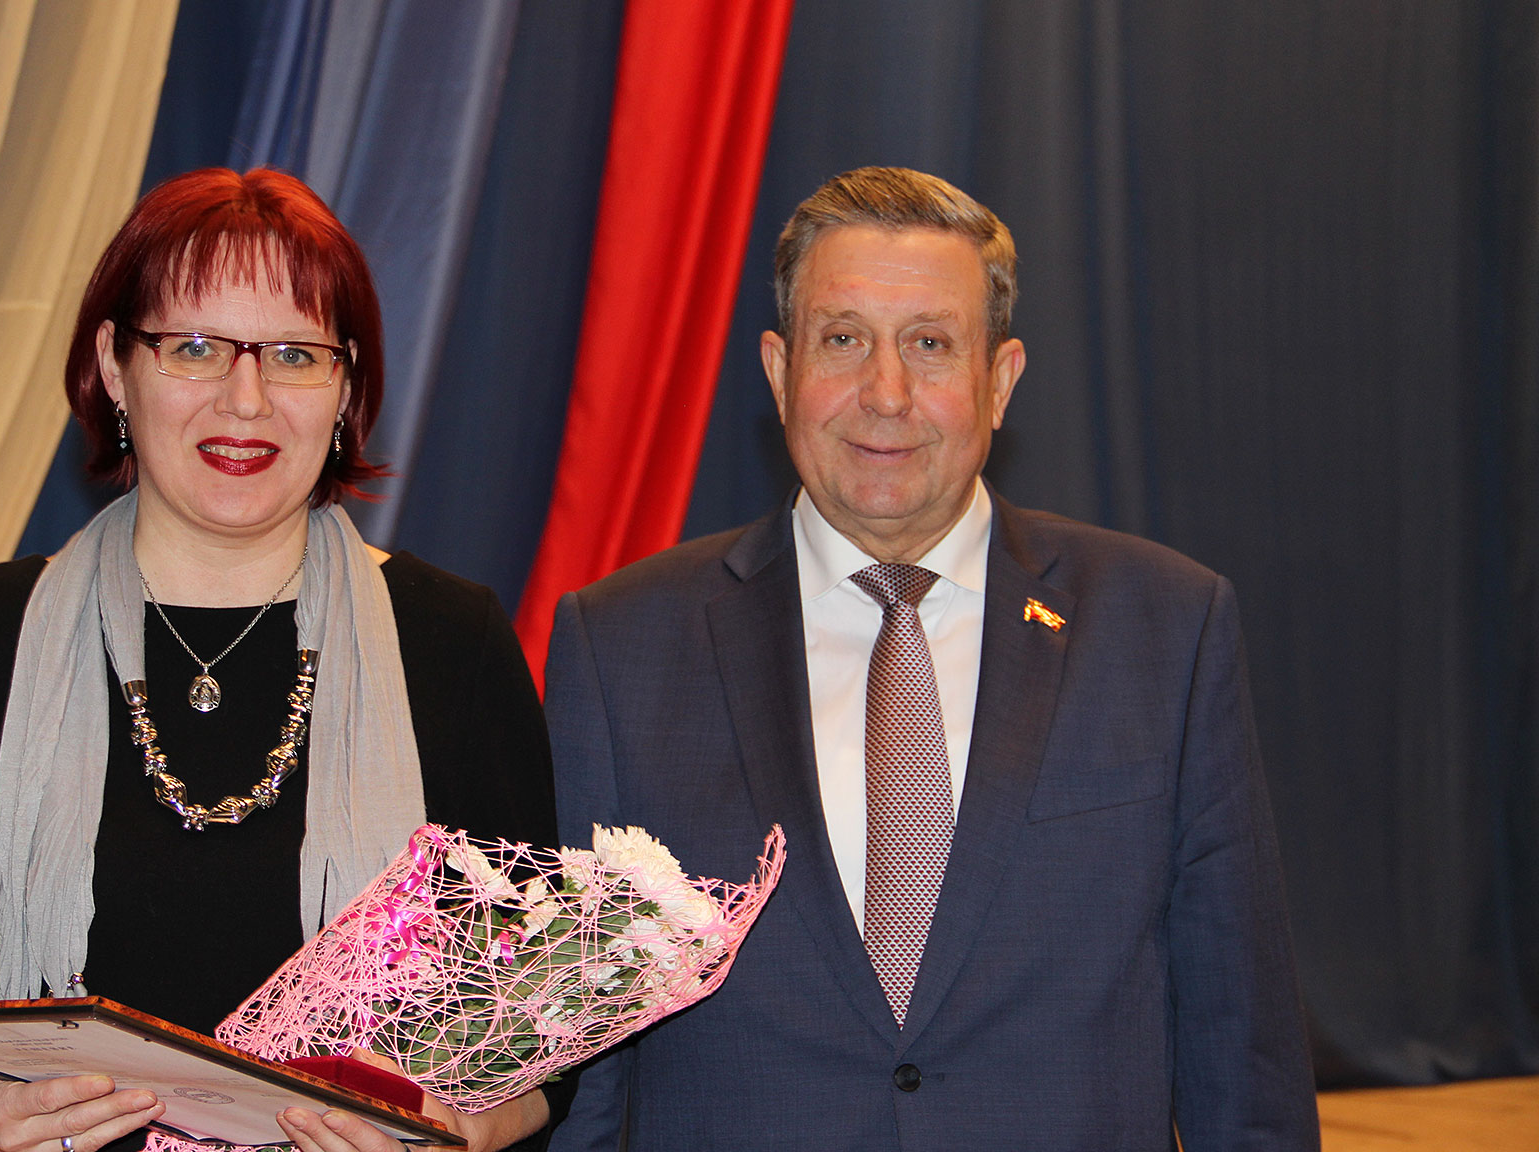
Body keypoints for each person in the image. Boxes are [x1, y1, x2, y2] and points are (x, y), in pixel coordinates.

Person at [542, 167, 1319, 1150]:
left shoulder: (1166, 627)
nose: (887, 394)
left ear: (1000, 381)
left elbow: (1240, 1045)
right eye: (843, 340)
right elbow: (587, 1063)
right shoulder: (620, 643)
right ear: (779, 372)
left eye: (930, 345)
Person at [0, 167, 562, 1152]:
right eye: (196, 347)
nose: (245, 400)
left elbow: (543, 1045)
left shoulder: (452, 641)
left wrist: (450, 1132)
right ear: (114, 366)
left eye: (294, 354)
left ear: (346, 388)